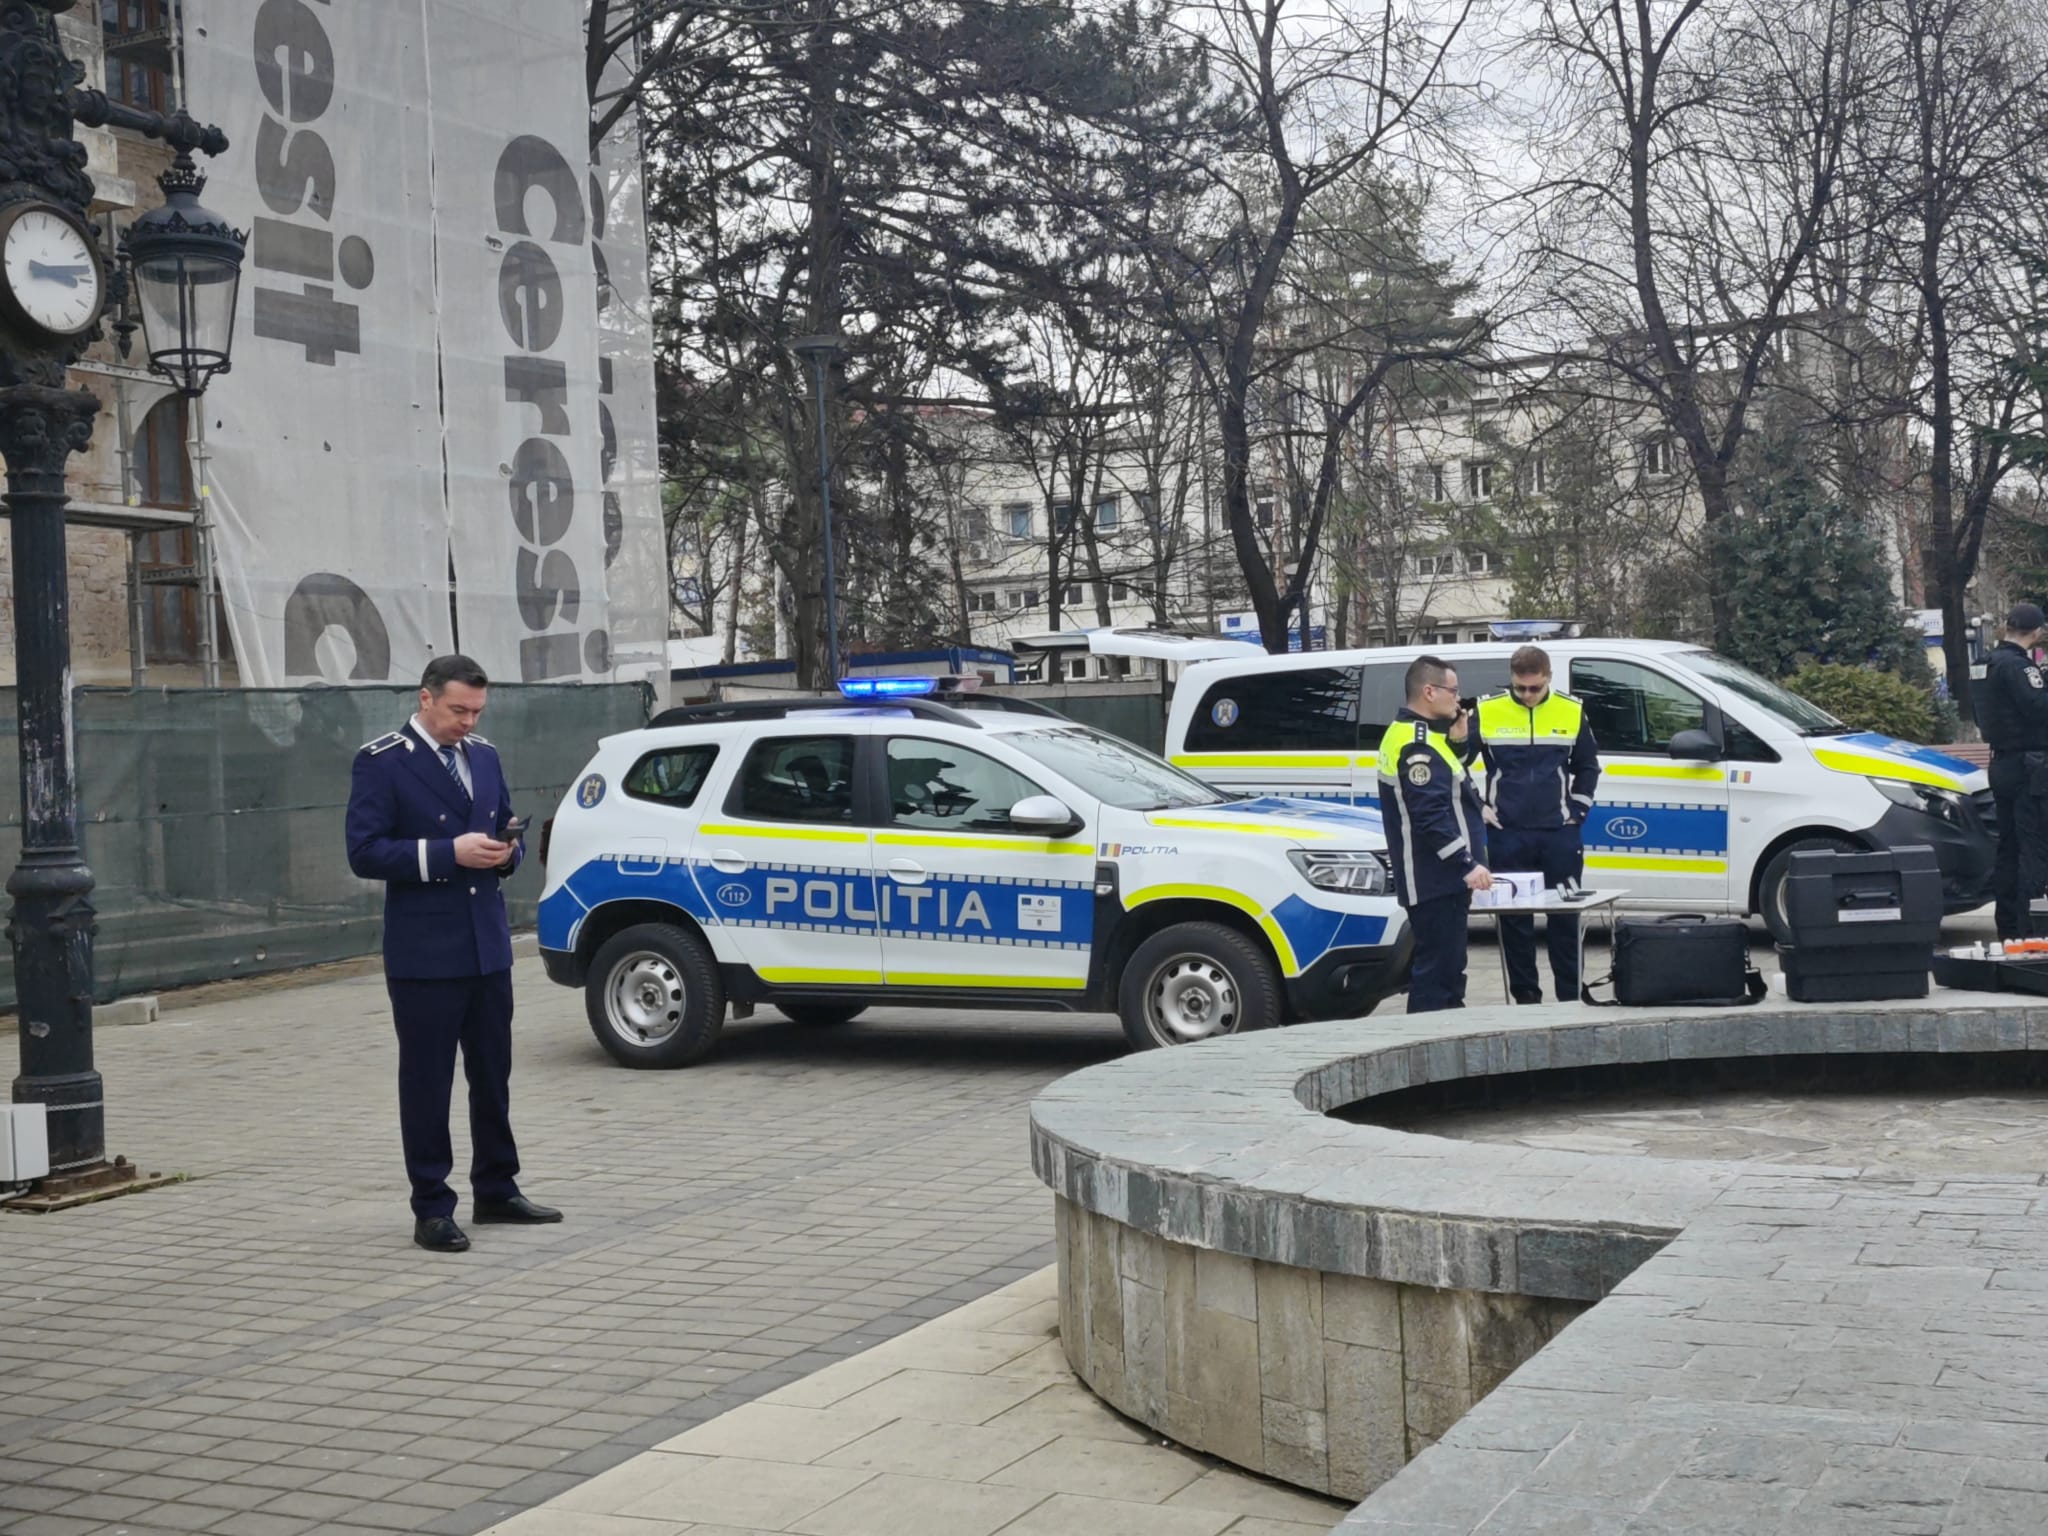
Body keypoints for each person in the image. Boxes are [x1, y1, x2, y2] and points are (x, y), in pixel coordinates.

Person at [345, 655, 561, 1252]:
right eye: (458, 710)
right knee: (428, 1082)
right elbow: (364, 852)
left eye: (477, 712)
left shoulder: (483, 756)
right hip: (425, 951)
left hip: (486, 945)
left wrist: (507, 853)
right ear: (426, 699)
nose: (468, 722)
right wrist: (448, 854)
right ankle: (432, 1206)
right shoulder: (383, 761)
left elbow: (502, 824)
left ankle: (497, 1187)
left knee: (492, 1075)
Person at [1473, 645, 1602, 1003]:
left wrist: (1578, 810)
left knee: (1565, 919)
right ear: (1511, 680)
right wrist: (1477, 806)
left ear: (1548, 678)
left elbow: (1588, 766)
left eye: (1535, 688)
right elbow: (1454, 765)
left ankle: (1570, 1000)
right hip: (1507, 833)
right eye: (1520, 688)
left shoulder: (1571, 710)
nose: (1527, 695)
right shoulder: (1487, 710)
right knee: (1515, 923)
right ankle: (1526, 1001)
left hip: (1559, 834)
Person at [1376, 655, 1492, 1013]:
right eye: (1452, 691)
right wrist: (1466, 864)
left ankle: (1447, 1038)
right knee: (1437, 977)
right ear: (1429, 692)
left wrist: (1458, 743)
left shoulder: (1425, 737)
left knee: (1449, 973)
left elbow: (1451, 787)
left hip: (1441, 879)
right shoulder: (1418, 745)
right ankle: (1426, 1043)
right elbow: (1429, 817)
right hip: (1435, 879)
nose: (1458, 700)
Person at [1978, 603, 2048, 940]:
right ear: (2036, 632)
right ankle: (2030, 929)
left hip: (2001, 763)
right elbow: (2038, 709)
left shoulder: (1986, 663)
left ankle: (2008, 928)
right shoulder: (2019, 667)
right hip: (2027, 768)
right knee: (2032, 849)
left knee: (2008, 848)